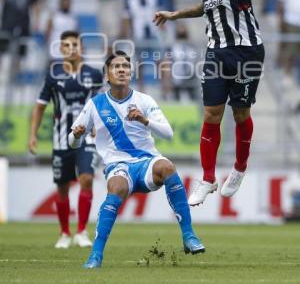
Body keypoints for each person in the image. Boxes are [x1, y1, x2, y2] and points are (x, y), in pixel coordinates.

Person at [153, 0, 265, 206]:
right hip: (216, 52)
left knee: (240, 114)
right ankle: (208, 178)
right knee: (211, 113)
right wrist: (176, 14)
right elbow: (208, 6)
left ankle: (239, 168)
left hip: (246, 51)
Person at [68, 50, 205, 268]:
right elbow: (72, 142)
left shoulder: (144, 100)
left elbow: (168, 133)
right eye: (116, 67)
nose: (122, 69)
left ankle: (189, 236)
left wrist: (144, 120)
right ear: (107, 75)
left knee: (167, 167)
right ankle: (96, 255)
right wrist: (76, 135)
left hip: (147, 163)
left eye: (125, 66)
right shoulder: (95, 104)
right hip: (118, 165)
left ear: (130, 72)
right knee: (117, 187)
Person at [29, 30, 103, 249]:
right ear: (61, 49)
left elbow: (101, 104)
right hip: (61, 139)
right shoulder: (53, 75)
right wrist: (33, 134)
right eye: (67, 45)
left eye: (75, 45)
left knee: (87, 179)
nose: (72, 49)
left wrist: (98, 127)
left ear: (81, 48)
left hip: (87, 139)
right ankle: (64, 233)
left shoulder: (94, 74)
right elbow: (40, 107)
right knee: (62, 187)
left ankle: (81, 231)